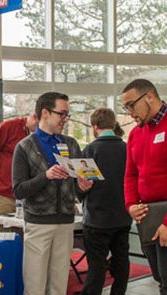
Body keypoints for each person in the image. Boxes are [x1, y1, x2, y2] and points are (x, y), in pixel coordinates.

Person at [12, 92, 92, 295]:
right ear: (45, 113)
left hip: (66, 222)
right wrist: (45, 176)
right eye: (62, 114)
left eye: (67, 114)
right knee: (35, 284)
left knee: (59, 284)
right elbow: (19, 190)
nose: (66, 119)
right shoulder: (24, 147)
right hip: (38, 223)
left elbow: (74, 187)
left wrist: (81, 189)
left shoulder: (71, 144)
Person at [78, 108, 132, 295]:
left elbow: (83, 187)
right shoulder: (126, 148)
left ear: (95, 126)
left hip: (97, 220)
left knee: (97, 267)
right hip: (123, 217)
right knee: (121, 262)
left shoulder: (90, 150)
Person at [122, 79, 167, 294]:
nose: (130, 113)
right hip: (148, 218)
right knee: (159, 277)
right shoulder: (135, 134)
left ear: (149, 96)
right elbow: (130, 175)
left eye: (131, 105)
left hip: (165, 218)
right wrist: (130, 205)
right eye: (126, 107)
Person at [0, 112, 38, 231]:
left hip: (26, 194)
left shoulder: (38, 135)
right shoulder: (9, 127)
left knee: (22, 234)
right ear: (34, 118)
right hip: (4, 192)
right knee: (1, 232)